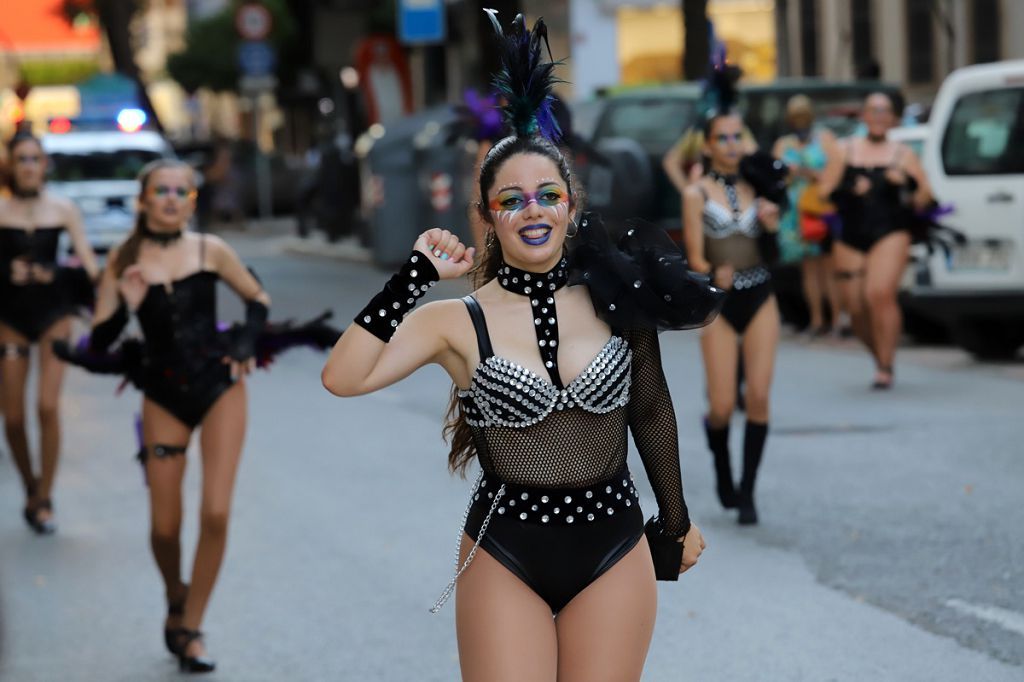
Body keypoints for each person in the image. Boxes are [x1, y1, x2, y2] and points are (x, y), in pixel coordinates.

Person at [322, 14, 716, 681]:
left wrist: (674, 524)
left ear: (569, 204)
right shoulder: (456, 321)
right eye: (512, 200)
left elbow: (650, 410)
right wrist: (412, 277)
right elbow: (344, 376)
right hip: (506, 550)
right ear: (489, 216)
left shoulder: (617, 294)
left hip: (613, 542)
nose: (533, 211)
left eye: (547, 195)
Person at [87, 159, 270, 673]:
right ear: (143, 201)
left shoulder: (211, 249)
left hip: (219, 387)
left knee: (215, 512)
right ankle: (176, 597)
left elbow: (257, 301)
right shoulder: (124, 261)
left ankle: (190, 629)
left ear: (192, 201)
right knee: (165, 528)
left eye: (181, 192)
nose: (170, 199)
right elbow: (98, 344)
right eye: (161, 191)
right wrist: (127, 304)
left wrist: (243, 340)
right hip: (162, 394)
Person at [682, 106, 781, 526]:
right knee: (722, 405)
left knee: (757, 396)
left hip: (760, 294)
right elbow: (694, 257)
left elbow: (780, 245)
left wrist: (775, 225)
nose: (731, 145)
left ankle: (747, 491)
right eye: (722, 138)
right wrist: (710, 272)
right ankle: (722, 466)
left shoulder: (762, 184)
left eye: (737, 136)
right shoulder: (696, 193)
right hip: (719, 303)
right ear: (707, 145)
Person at [0, 131, 99, 534]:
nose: (28, 166)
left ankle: (45, 497)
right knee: (13, 417)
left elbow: (88, 266)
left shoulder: (63, 209)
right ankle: (29, 488)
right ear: (10, 165)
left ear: (44, 165)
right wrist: (8, 272)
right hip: (10, 318)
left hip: (55, 314)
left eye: (34, 158)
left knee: (46, 406)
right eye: (21, 159)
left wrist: (56, 272)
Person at [818, 92, 932, 389]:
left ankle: (886, 364)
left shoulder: (903, 154)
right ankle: (879, 356)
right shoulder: (845, 150)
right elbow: (823, 193)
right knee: (855, 308)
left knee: (878, 293)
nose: (880, 116)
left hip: (890, 230)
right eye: (874, 110)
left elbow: (925, 198)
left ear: (893, 118)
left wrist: (905, 182)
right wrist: (848, 189)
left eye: (885, 111)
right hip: (852, 234)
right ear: (864, 116)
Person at [771, 95, 842, 336]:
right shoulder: (784, 144)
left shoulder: (825, 139)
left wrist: (814, 180)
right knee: (809, 269)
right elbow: (776, 176)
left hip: (820, 207)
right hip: (796, 212)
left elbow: (835, 171)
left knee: (829, 266)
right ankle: (816, 319)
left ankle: (836, 319)